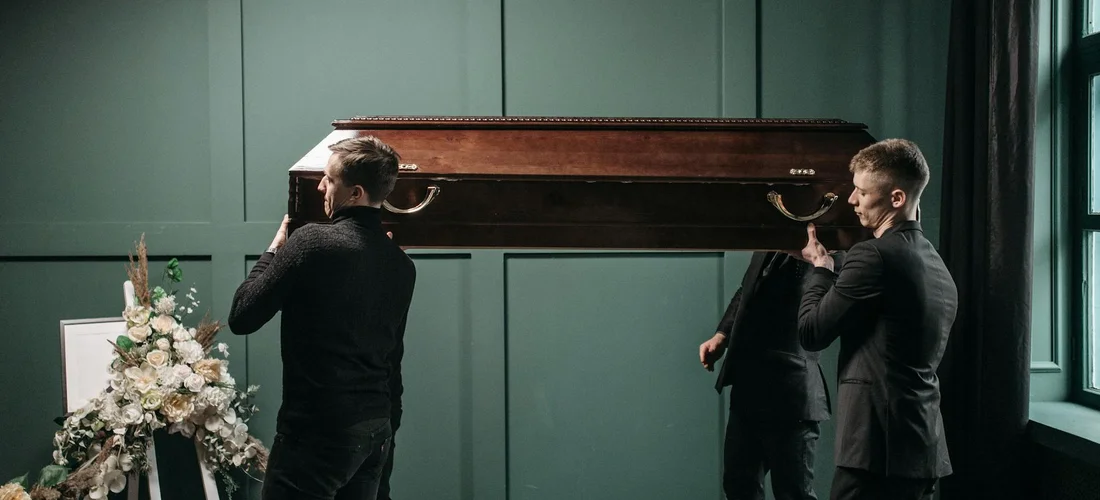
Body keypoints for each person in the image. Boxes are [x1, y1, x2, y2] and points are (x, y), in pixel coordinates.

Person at [228, 135, 417, 500]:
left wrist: (274, 249)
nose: (320, 186)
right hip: (375, 430)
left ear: (355, 193)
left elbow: (242, 315)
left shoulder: (311, 243)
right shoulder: (402, 265)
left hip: (317, 432)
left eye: (329, 179)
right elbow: (393, 364)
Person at [796, 138, 958, 500]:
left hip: (877, 453)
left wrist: (822, 270)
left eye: (861, 191)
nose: (852, 200)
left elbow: (811, 333)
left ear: (896, 199)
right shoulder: (937, 266)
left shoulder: (872, 256)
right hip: (924, 450)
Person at [699, 250, 834, 500]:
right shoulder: (768, 238)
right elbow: (747, 288)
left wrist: (820, 265)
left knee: (794, 493)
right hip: (748, 388)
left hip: (792, 396)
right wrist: (722, 335)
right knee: (739, 486)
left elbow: (823, 306)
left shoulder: (828, 246)